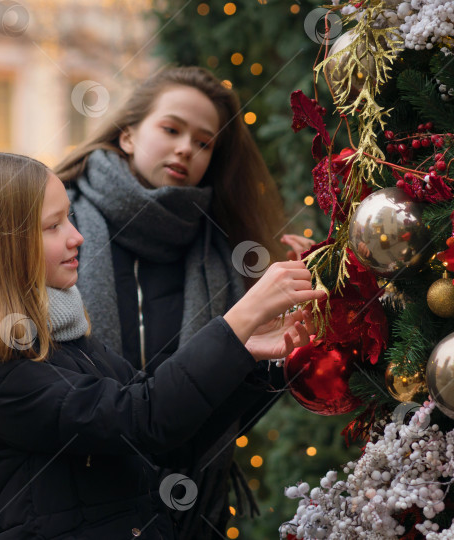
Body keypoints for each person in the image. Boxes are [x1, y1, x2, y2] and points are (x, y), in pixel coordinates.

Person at [0, 152, 324, 539]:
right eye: (53, 226)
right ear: (0, 246)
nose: (76, 237)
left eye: (69, 218)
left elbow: (168, 441)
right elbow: (141, 419)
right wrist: (238, 321)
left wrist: (247, 358)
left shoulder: (62, 337)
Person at [55, 65, 314, 537]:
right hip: (74, 509)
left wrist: (266, 359)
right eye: (171, 129)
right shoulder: (58, 229)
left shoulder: (224, 252)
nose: (185, 149)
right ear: (129, 135)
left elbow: (221, 413)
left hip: (186, 514)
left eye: (204, 141)